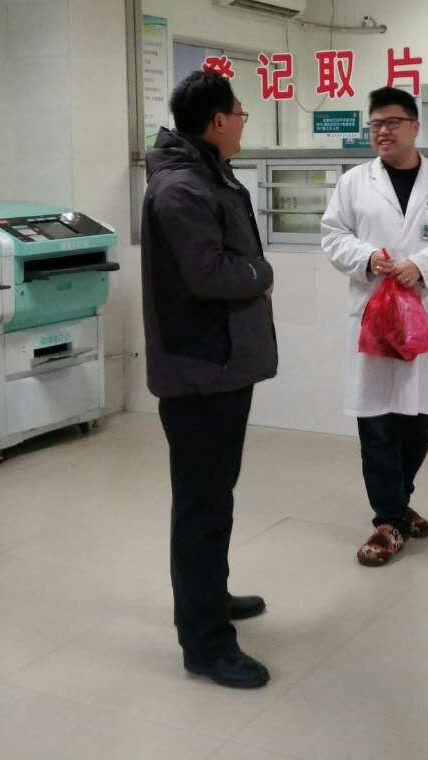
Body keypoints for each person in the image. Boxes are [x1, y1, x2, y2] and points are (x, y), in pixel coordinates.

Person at [142, 70, 277, 690]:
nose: (244, 122)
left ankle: (211, 597)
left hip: (220, 365)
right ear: (218, 120)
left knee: (215, 497)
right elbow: (208, 274)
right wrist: (261, 274)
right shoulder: (182, 188)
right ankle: (204, 644)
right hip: (199, 370)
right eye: (240, 113)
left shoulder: (208, 174)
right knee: (201, 507)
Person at [321, 87, 428, 567]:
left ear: (414, 126)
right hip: (372, 314)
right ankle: (388, 520)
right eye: (375, 125)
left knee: (418, 421)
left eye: (392, 122)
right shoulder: (354, 183)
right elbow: (332, 234)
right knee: (377, 423)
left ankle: (400, 501)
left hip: (421, 313)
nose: (382, 131)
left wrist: (422, 265)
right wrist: (368, 257)